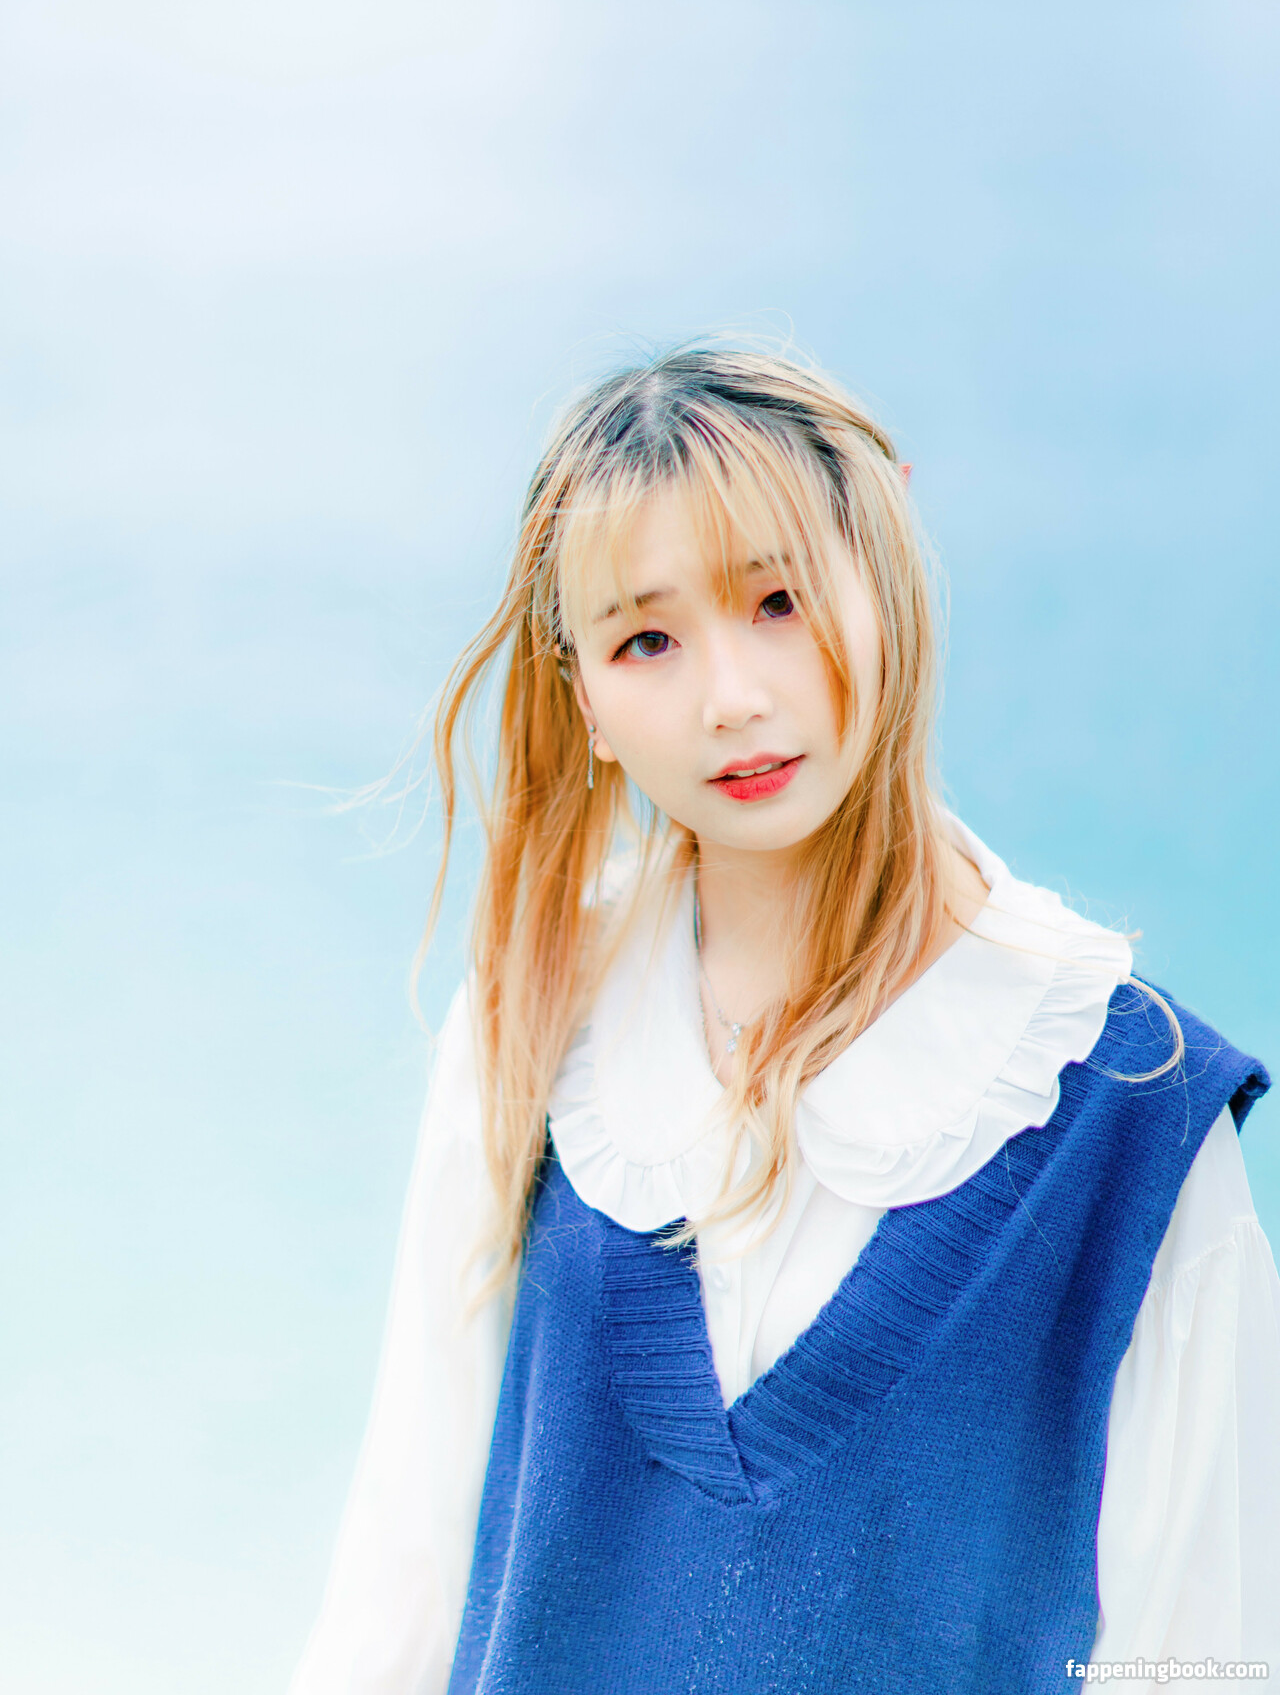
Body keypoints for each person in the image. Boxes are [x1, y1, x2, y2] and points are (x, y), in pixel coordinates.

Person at [289, 348, 1280, 1694]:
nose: (733, 700)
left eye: (779, 600)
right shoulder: (538, 1015)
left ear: (885, 568)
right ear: (582, 695)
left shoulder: (1128, 1111)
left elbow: (1211, 1647)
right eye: (646, 640)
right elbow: (402, 1578)